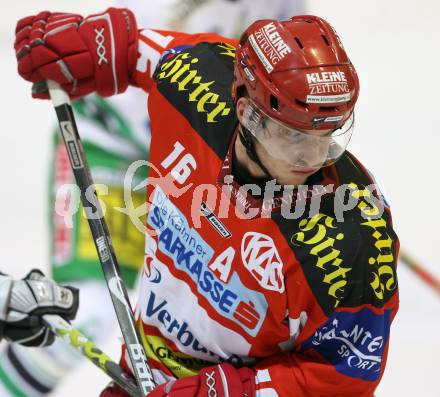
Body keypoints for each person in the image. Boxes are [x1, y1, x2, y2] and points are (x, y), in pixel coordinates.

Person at [13, 6, 399, 397]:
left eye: (329, 135)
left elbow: (346, 376)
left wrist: (227, 391)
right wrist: (92, 46)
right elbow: (130, 50)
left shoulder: (353, 241)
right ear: (248, 113)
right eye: (294, 136)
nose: (313, 158)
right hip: (145, 379)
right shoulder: (197, 81)